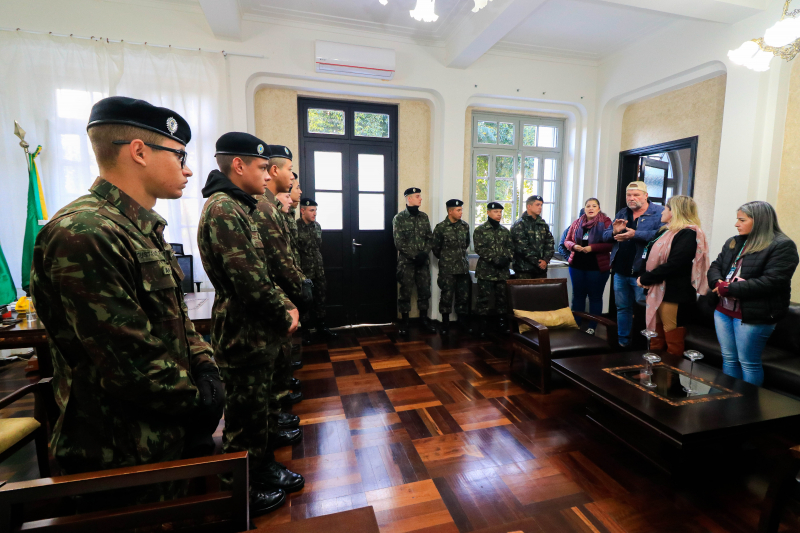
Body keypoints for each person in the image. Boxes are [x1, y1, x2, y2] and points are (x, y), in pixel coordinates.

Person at [30, 97, 224, 507]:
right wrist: (198, 403)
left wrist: (207, 371)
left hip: (165, 433)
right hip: (120, 450)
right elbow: (129, 360)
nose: (188, 169)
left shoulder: (140, 226)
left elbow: (176, 319)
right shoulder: (85, 233)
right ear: (139, 151)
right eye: (179, 155)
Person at [198, 132, 304, 516]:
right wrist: (283, 314)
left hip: (256, 331)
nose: (268, 174)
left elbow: (261, 273)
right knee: (244, 420)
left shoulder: (239, 206)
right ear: (238, 165)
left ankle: (261, 469)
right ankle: (239, 491)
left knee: (257, 414)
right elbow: (250, 281)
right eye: (261, 167)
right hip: (245, 333)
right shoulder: (224, 209)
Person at [708, 201, 799, 386]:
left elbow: (772, 281)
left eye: (742, 220)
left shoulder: (782, 245)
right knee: (729, 359)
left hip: (754, 314)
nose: (736, 224)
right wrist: (717, 281)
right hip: (724, 310)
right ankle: (726, 402)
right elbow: (716, 265)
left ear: (759, 221)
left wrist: (729, 288)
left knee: (748, 363)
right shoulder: (735, 241)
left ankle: (745, 409)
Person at [252, 143, 306, 442]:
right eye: (288, 169)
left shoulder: (266, 206)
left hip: (279, 298)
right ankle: (262, 453)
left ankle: (275, 418)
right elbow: (270, 263)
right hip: (268, 304)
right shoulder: (259, 207)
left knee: (274, 369)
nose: (291, 177)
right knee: (260, 386)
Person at [637, 196, 710, 355]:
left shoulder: (688, 234)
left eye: (666, 208)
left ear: (674, 211)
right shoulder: (665, 231)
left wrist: (646, 278)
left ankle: (670, 377)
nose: (663, 211)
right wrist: (643, 275)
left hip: (674, 292)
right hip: (658, 288)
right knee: (656, 335)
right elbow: (649, 255)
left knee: (672, 338)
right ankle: (654, 373)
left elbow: (675, 264)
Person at [604, 181, 665, 347]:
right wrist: (614, 232)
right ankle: (623, 342)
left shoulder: (659, 212)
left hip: (642, 272)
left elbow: (662, 236)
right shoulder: (623, 212)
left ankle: (644, 344)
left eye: (636, 195)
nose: (632, 198)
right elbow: (605, 236)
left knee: (644, 309)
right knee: (622, 308)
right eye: (629, 195)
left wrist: (635, 234)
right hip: (620, 270)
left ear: (646, 196)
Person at [564, 199, 613, 335]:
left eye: (594, 206)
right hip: (577, 266)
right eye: (588, 206)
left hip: (597, 267)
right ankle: (576, 324)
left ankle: (592, 326)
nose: (590, 208)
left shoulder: (606, 222)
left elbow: (611, 244)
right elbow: (566, 241)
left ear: (598, 208)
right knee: (578, 296)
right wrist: (574, 246)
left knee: (595, 297)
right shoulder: (577, 222)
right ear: (584, 208)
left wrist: (592, 248)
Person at [393, 187, 436, 335]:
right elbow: (399, 243)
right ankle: (404, 322)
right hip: (407, 264)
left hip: (423, 262)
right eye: (417, 196)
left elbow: (430, 238)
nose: (420, 198)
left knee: (424, 291)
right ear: (409, 198)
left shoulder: (424, 217)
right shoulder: (399, 218)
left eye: (420, 196)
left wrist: (424, 253)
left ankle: (424, 320)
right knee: (405, 293)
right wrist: (414, 256)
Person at [297, 197, 337, 345]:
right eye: (312, 210)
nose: (315, 214)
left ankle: (322, 328)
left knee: (321, 298)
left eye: (316, 210)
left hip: (318, 269)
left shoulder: (317, 226)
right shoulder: (295, 227)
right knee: (306, 301)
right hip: (304, 271)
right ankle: (306, 332)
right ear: (303, 210)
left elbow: (317, 248)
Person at [474, 202, 514, 336]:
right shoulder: (480, 230)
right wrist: (494, 259)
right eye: (496, 212)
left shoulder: (504, 231)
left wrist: (506, 258)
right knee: (483, 299)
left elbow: (510, 248)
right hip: (486, 271)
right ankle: (482, 325)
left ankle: (501, 324)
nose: (499, 215)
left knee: (502, 299)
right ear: (488, 212)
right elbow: (479, 248)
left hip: (502, 272)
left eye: (500, 212)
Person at [432, 199, 471, 334]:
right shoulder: (441, 227)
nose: (461, 212)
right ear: (450, 211)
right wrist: (448, 259)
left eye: (461, 209)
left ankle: (461, 322)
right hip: (447, 269)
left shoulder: (465, 226)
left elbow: (466, 244)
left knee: (463, 296)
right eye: (458, 210)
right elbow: (436, 249)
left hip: (462, 268)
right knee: (446, 296)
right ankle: (445, 323)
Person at [511, 195, 555, 279]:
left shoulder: (542, 224)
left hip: (541, 270)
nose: (540, 207)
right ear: (529, 206)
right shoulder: (520, 224)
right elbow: (522, 247)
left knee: (541, 292)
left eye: (541, 205)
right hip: (524, 269)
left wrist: (545, 260)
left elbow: (550, 242)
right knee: (525, 292)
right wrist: (538, 262)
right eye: (537, 205)